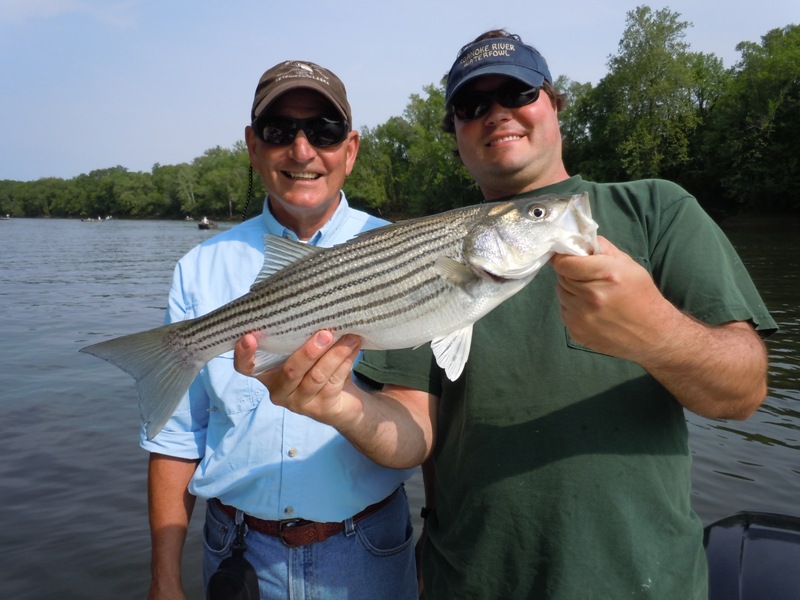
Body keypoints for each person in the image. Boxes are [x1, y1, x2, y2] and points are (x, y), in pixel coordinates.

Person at [233, 31, 777, 599]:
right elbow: (413, 435)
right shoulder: (416, 253)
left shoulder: (657, 209)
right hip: (470, 579)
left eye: (517, 92)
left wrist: (656, 334)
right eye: (472, 106)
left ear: (554, 103)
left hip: (643, 579)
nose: (497, 114)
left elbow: (742, 393)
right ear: (456, 135)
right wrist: (339, 406)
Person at [142, 60, 417, 600]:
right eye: (278, 131)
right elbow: (175, 439)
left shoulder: (408, 255)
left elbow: (429, 429)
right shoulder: (199, 267)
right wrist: (164, 578)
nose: (301, 149)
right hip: (235, 549)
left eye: (324, 130)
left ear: (351, 148)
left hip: (367, 550)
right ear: (252, 144)